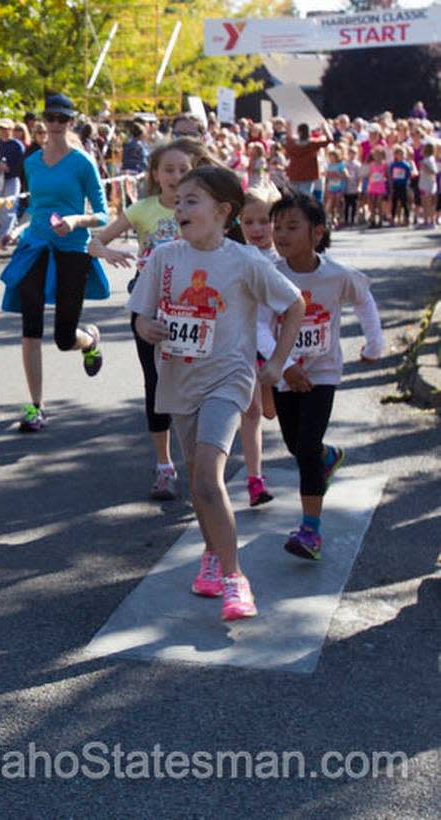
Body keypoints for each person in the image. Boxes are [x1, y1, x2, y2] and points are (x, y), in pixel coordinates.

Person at [128, 165, 305, 621]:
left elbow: (294, 304)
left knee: (207, 476)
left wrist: (277, 363)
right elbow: (141, 318)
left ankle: (234, 579)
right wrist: (147, 327)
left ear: (223, 211)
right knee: (199, 482)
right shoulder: (165, 258)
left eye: (192, 201)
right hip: (179, 380)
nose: (181, 208)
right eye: (179, 200)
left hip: (228, 377)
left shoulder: (244, 260)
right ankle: (210, 553)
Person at [265, 192, 384, 560]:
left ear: (317, 233)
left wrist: (374, 344)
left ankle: (310, 532)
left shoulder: (337, 274)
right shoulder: (271, 275)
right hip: (286, 373)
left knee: (304, 448)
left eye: (291, 227)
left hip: (324, 373)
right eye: (277, 227)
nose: (281, 234)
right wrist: (285, 366)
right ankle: (326, 457)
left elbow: (364, 300)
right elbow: (259, 326)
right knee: (296, 445)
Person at [89, 139, 210, 499]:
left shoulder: (202, 208)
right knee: (156, 385)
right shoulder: (142, 209)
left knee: (197, 384)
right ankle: (164, 466)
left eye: (183, 169)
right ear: (155, 174)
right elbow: (94, 242)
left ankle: (201, 463)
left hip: (195, 307)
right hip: (151, 307)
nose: (176, 176)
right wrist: (108, 251)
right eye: (168, 170)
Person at [0, 92, 109, 434]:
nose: (56, 124)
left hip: (72, 250)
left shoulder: (82, 163)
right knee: (30, 326)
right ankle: (35, 406)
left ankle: (89, 339)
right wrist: (18, 228)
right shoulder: (31, 163)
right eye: (51, 118)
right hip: (35, 247)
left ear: (71, 122)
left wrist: (76, 222)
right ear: (42, 122)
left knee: (64, 337)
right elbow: (37, 207)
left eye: (63, 119)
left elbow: (103, 214)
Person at [238, 183, 286, 507]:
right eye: (248, 222)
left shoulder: (285, 259)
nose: (256, 229)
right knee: (252, 412)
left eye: (264, 221)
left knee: (271, 411)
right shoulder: (236, 256)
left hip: (280, 349)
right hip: (245, 345)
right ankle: (255, 480)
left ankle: (315, 456)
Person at [0, 118, 25, 248]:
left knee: (9, 208)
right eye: (1, 129)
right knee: (0, 207)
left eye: (6, 129)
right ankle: (5, 232)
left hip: (12, 179)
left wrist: (10, 169)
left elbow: (21, 165)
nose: (4, 132)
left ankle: (5, 237)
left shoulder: (17, 145)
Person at [285, 121, 331, 197]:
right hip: (308, 175)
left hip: (294, 174)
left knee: (293, 198)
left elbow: (288, 136)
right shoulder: (313, 144)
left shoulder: (292, 144)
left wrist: (289, 125)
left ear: (298, 132)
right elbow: (329, 140)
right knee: (305, 198)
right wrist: (325, 127)